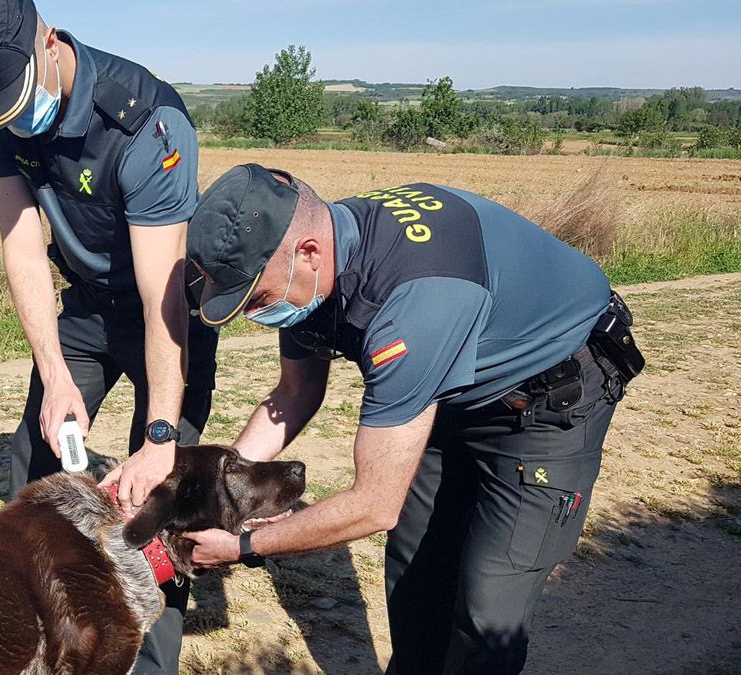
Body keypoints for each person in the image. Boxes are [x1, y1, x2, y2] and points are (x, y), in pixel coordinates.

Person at [176, 165, 643, 674]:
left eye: (258, 298)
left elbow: (374, 506)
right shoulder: (317, 265)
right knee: (416, 571)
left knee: (490, 605)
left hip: (548, 406)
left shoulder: (410, 303)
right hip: (448, 391)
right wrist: (223, 490)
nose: (254, 314)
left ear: (308, 252)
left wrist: (243, 546)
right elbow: (294, 392)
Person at [0, 1, 218, 671]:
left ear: (50, 43)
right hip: (86, 302)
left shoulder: (145, 122)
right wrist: (56, 375)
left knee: (160, 497)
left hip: (167, 307)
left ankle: (149, 658)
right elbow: (24, 250)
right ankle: (39, 627)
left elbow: (162, 301)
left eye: (18, 100)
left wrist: (158, 437)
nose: (11, 121)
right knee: (34, 453)